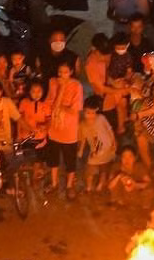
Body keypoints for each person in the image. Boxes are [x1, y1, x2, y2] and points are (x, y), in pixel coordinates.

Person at [45, 60, 83, 193]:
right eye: (60, 72)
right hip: (54, 128)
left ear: (71, 72)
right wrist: (61, 90)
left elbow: (74, 110)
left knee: (70, 159)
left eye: (65, 72)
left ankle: (69, 185)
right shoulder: (53, 82)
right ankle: (54, 183)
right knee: (53, 158)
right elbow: (50, 103)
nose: (62, 75)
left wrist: (60, 105)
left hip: (69, 130)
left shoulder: (77, 86)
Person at [79, 102, 117, 192]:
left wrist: (114, 142)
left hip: (107, 147)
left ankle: (100, 184)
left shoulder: (101, 118)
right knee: (90, 167)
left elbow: (109, 129)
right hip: (95, 150)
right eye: (88, 113)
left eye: (93, 113)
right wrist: (81, 150)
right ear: (83, 113)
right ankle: (89, 186)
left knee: (104, 167)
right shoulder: (82, 125)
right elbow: (83, 138)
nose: (91, 115)